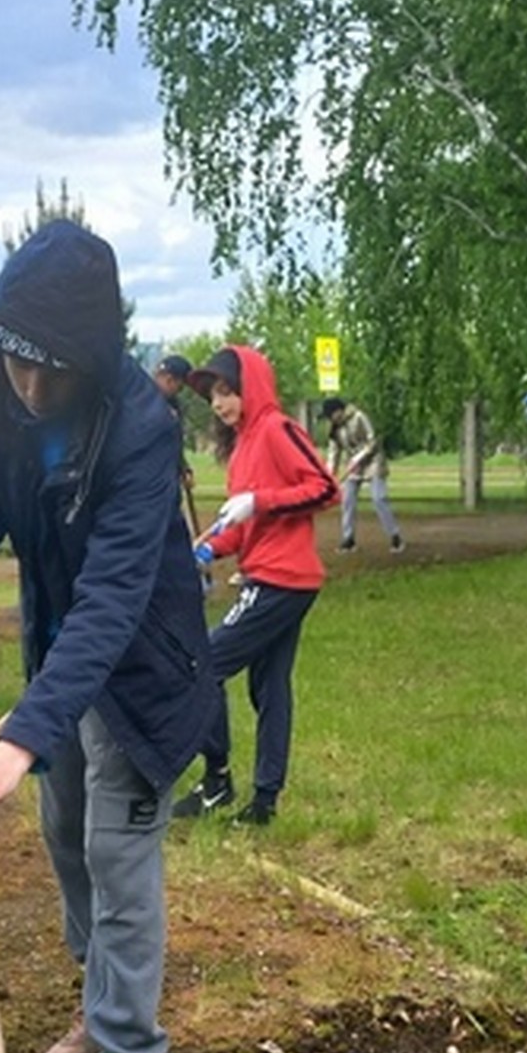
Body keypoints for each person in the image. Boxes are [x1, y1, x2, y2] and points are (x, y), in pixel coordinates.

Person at [0, 220, 219, 1053]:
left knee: (120, 857)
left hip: (138, 662)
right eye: (14, 365)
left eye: (48, 373)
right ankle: (100, 1000)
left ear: (88, 357)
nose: (26, 389)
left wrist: (19, 737)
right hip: (58, 647)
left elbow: (116, 598)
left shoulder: (138, 422)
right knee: (64, 832)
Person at [181, 343, 334, 828]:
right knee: (269, 688)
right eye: (212, 396)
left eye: (227, 391)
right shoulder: (242, 445)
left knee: (200, 666)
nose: (219, 403)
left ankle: (217, 781)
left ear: (251, 386)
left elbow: (323, 488)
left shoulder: (275, 429)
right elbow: (244, 526)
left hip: (281, 580)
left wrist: (260, 501)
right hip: (270, 572)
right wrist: (207, 550)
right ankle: (264, 801)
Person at [320, 396, 404, 552]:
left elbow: (372, 442)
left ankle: (395, 536)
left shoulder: (359, 417)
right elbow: (334, 452)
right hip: (353, 467)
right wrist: (330, 475)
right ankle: (348, 539)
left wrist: (358, 458)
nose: (330, 419)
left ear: (338, 411)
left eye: (331, 415)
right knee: (347, 500)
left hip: (373, 461)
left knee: (379, 498)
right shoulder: (334, 428)